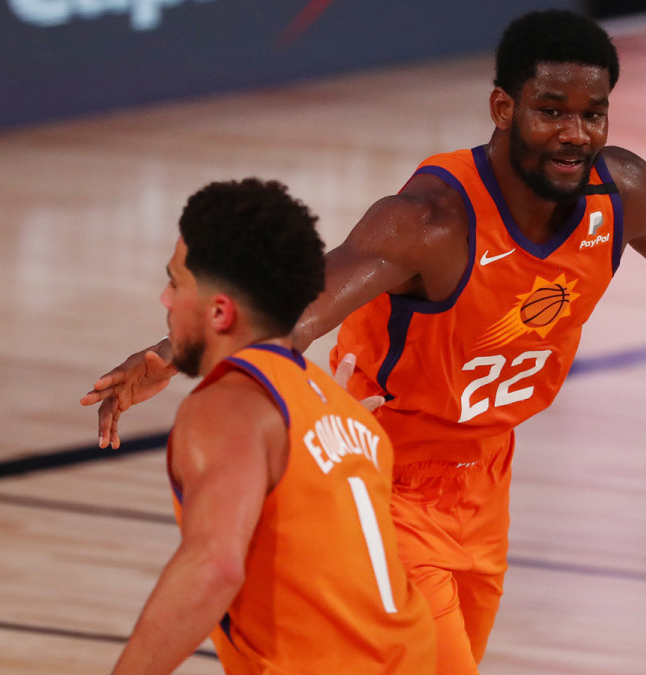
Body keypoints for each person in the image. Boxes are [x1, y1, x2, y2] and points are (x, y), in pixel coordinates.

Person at [84, 11, 646, 674]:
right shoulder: (431, 222)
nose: (575, 133)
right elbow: (300, 311)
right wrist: (170, 353)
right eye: (552, 110)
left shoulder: (623, 191)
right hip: (387, 480)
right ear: (504, 108)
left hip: (487, 481)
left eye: (592, 112)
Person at [108, 178, 436, 674]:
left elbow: (214, 568)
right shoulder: (347, 414)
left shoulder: (229, 406)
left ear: (219, 310)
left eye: (176, 283)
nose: (164, 299)